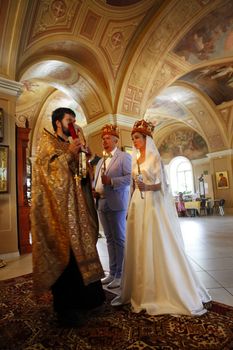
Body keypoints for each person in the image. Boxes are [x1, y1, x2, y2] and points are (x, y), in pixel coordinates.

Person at [111, 119, 212, 316]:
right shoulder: (134, 158)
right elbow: (133, 183)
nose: (135, 141)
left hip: (153, 203)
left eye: (138, 137)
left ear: (146, 138)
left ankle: (159, 289)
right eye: (133, 138)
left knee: (154, 242)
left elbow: (163, 186)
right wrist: (130, 205)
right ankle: (138, 288)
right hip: (137, 203)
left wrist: (148, 187)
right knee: (138, 243)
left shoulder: (154, 158)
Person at [31, 107, 105, 327]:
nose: (73, 123)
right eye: (69, 120)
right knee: (67, 257)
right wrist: (69, 154)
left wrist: (85, 156)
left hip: (79, 211)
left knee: (84, 252)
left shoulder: (73, 143)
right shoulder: (48, 143)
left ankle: (90, 300)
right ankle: (66, 308)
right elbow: (47, 172)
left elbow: (82, 177)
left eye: (74, 120)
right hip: (60, 215)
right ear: (57, 123)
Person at [93, 124, 132, 289]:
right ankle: (112, 273)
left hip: (116, 203)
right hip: (102, 202)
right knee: (109, 239)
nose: (104, 141)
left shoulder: (124, 157)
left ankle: (121, 275)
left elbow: (130, 178)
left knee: (119, 239)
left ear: (116, 140)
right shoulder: (101, 160)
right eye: (103, 139)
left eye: (108, 138)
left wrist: (112, 181)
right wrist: (95, 190)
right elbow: (98, 180)